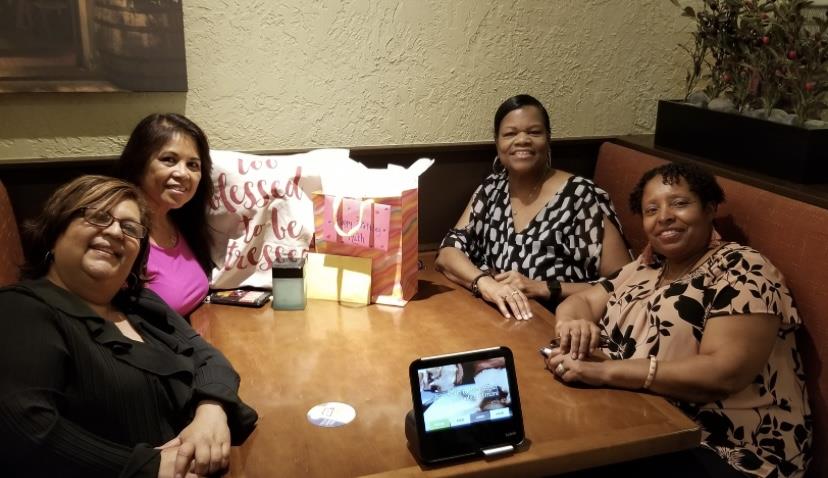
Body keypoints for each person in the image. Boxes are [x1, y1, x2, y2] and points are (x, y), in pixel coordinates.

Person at [544, 163, 812, 477]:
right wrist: (573, 323)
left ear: (710, 208)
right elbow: (586, 299)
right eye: (651, 210)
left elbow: (723, 375)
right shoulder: (649, 265)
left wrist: (605, 372)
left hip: (728, 449)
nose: (665, 217)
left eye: (680, 204)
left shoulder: (743, 270)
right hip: (644, 422)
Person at [0, 175, 257, 478]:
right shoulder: (21, 309)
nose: (114, 231)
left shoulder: (141, 304)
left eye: (130, 228)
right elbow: (23, 428)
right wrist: (151, 466)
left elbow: (210, 358)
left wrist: (211, 411)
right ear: (55, 233)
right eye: (97, 217)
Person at [435, 94, 630, 320]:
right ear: (498, 143)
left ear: (548, 139)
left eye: (534, 132)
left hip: (562, 325)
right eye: (510, 133)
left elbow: (626, 283)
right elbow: (448, 253)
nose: (522, 140)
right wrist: (485, 284)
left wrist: (543, 288)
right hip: (499, 320)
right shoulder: (492, 189)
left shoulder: (580, 196)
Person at [115, 113, 214, 317]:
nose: (183, 173)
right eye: (169, 160)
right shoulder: (119, 232)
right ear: (138, 163)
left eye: (193, 165)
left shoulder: (182, 220)